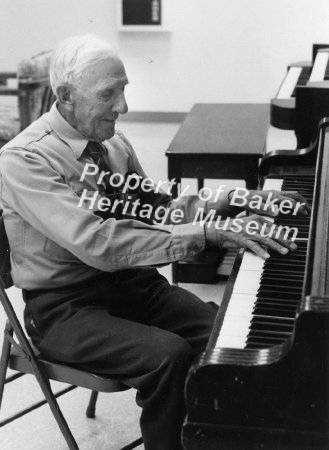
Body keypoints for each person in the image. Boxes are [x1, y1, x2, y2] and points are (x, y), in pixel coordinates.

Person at [0, 35, 309, 450]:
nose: (123, 107)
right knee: (169, 356)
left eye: (123, 90)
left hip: (132, 285)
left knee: (229, 336)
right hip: (65, 309)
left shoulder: (111, 141)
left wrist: (236, 201)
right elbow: (98, 242)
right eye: (108, 94)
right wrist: (208, 233)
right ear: (65, 96)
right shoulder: (23, 161)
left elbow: (159, 208)